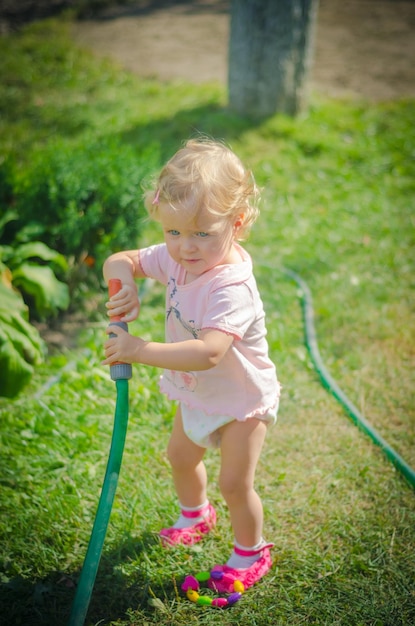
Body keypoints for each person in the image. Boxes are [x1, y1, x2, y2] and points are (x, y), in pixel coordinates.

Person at [102, 138, 281, 592]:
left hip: (240, 400)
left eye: (202, 233)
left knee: (235, 483)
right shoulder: (180, 257)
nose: (185, 248)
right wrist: (126, 284)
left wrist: (139, 350)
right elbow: (120, 259)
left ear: (236, 224)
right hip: (198, 392)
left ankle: (250, 552)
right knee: (180, 456)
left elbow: (210, 353)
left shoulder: (230, 286)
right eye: (173, 232)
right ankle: (195, 515)